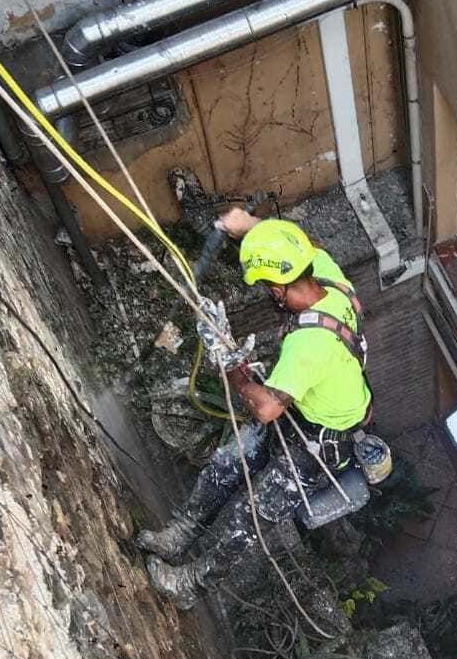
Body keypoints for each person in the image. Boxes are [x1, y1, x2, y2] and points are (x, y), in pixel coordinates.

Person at [139, 211, 371, 609]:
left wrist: (231, 368)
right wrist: (249, 226)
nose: (268, 294)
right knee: (228, 462)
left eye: (268, 288)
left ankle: (188, 585)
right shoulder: (331, 278)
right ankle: (178, 533)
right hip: (305, 410)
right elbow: (297, 244)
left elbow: (264, 408)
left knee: (251, 517)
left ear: (279, 289)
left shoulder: (308, 345)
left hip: (320, 443)